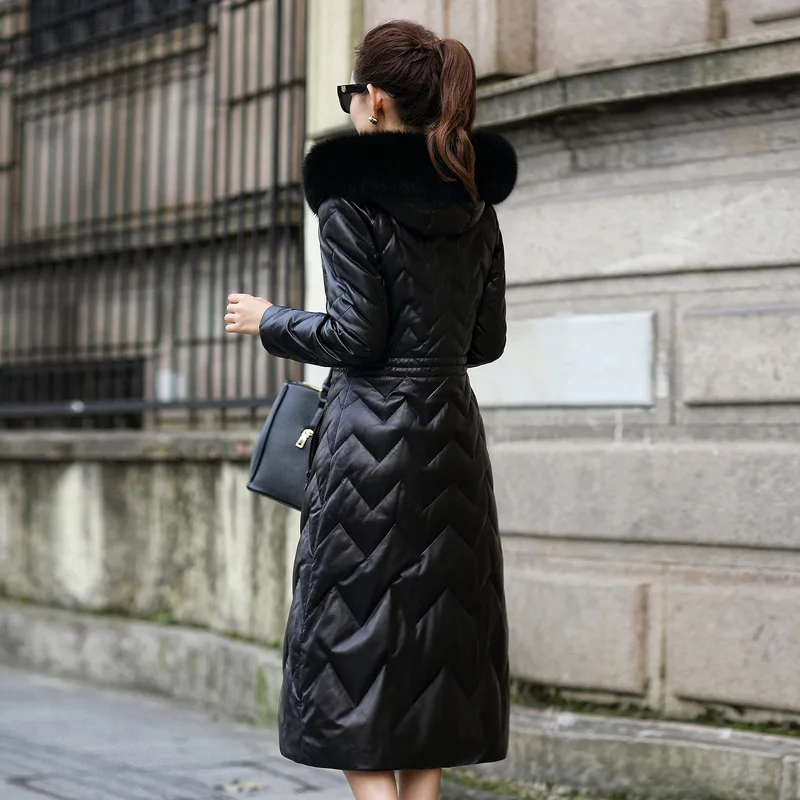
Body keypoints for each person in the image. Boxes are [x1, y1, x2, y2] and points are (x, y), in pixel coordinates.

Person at [224, 19, 516, 800]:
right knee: (435, 640)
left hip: (368, 448)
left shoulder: (350, 200)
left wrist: (271, 320)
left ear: (376, 100)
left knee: (349, 639)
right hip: (451, 440)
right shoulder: (476, 204)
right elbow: (485, 342)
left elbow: (357, 336)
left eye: (351, 93)